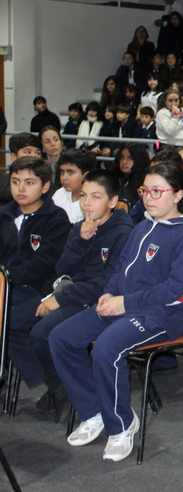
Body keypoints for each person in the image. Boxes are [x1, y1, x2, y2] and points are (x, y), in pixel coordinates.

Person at [51, 161, 183, 462]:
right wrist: (109, 293)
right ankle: (93, 411)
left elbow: (179, 291)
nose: (148, 197)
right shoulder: (142, 227)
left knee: (106, 349)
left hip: (162, 315)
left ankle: (121, 425)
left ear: (177, 194)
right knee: (61, 337)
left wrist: (125, 302)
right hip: (126, 305)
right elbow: (121, 268)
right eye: (145, 190)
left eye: (157, 191)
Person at [16, 170, 133, 419]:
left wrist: (60, 299)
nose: (87, 203)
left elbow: (107, 282)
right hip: (71, 292)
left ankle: (67, 387)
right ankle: (59, 385)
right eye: (83, 196)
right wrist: (80, 240)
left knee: (42, 333)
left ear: (112, 201)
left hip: (97, 300)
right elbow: (62, 269)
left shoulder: (123, 232)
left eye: (96, 197)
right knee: (15, 323)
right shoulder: (81, 227)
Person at [1, 156, 71, 399]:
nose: (21, 188)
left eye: (29, 183)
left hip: (39, 288)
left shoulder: (56, 218)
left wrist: (5, 277)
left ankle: (49, 384)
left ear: (44, 186)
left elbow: (43, 264)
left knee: (8, 322)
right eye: (15, 182)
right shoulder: (3, 215)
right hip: (6, 287)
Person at [52, 149, 97, 223]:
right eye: (62, 172)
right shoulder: (59, 194)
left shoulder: (95, 201)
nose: (64, 178)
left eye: (70, 172)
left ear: (86, 175)